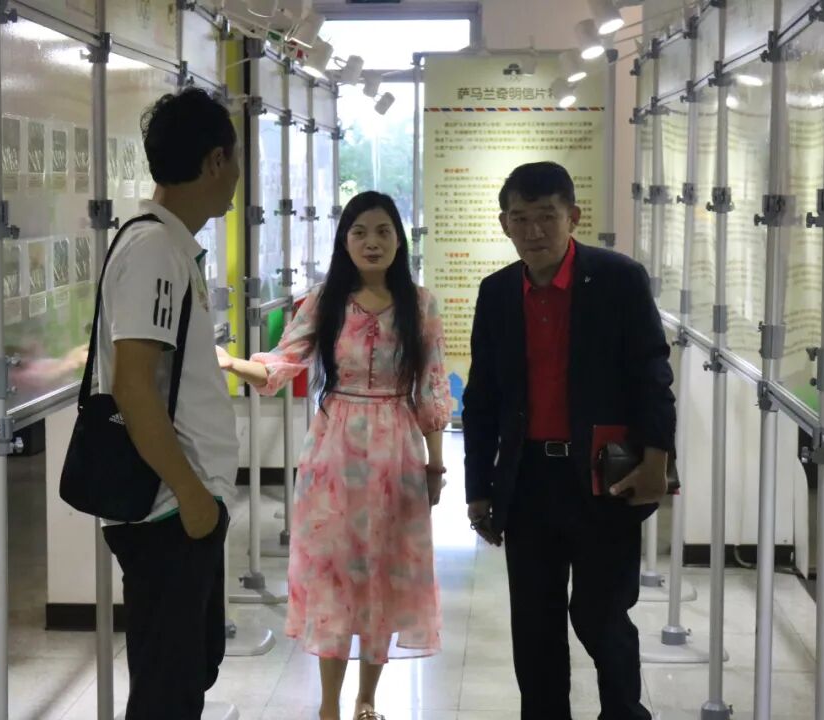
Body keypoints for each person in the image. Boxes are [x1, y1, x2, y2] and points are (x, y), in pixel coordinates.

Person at [217, 191, 450, 720]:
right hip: (333, 453)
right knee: (333, 575)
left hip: (397, 452)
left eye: (383, 231)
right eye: (360, 232)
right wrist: (231, 364)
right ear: (344, 241)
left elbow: (432, 388)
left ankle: (367, 699)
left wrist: (434, 466)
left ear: (399, 240)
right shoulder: (325, 301)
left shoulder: (422, 304)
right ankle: (329, 705)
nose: (372, 242)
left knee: (384, 572)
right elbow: (282, 364)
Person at [462, 162, 675, 720]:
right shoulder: (497, 293)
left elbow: (652, 374)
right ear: (504, 224)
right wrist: (478, 489)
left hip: (604, 477)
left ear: (573, 217)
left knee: (601, 617)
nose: (533, 231)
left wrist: (657, 459)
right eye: (520, 218)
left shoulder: (619, 279)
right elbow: (481, 399)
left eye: (547, 217)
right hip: (529, 481)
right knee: (535, 628)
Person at [96, 88, 241, 720]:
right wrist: (191, 496)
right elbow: (133, 386)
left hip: (182, 506)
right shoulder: (155, 250)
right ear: (215, 162)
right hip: (168, 512)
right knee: (167, 693)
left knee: (187, 675)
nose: (237, 176)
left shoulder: (171, 246)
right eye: (235, 159)